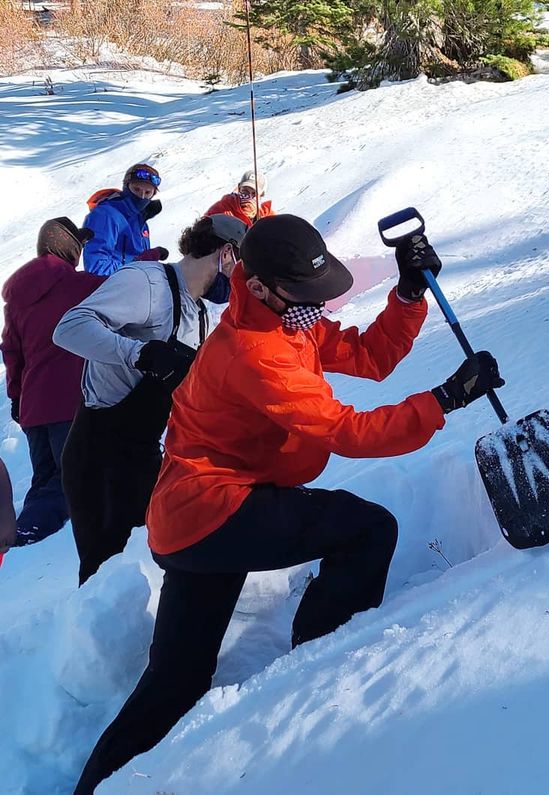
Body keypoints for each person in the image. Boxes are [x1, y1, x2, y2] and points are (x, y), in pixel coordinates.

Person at [73, 214, 504, 794]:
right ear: (259, 286)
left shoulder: (287, 323)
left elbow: (370, 357)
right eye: (304, 296)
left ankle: (93, 786)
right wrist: (446, 399)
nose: (315, 307)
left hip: (195, 519)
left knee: (177, 681)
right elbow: (348, 432)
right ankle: (318, 673)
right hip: (212, 511)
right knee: (365, 529)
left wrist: (406, 295)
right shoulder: (254, 354)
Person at [54, 214, 248, 585]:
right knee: (105, 577)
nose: (237, 279)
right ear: (225, 253)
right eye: (239, 265)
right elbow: (69, 328)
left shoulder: (202, 315)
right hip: (98, 457)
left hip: (143, 456)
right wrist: (138, 353)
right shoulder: (146, 282)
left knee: (161, 557)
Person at [1, 218, 103, 546]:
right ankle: (18, 539)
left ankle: (14, 537)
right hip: (67, 402)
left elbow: (12, 353)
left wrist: (17, 398)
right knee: (71, 482)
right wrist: (148, 262)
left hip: (33, 407)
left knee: (46, 481)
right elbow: (121, 286)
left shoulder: (17, 296)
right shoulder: (76, 285)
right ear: (68, 247)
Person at [82, 163, 169, 276]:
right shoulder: (106, 215)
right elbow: (96, 266)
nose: (141, 197)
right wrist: (139, 266)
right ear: (126, 187)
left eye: (147, 192)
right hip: (112, 290)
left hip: (132, 287)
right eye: (136, 189)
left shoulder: (140, 220)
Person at [204, 170, 274, 228]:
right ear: (239, 189)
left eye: (254, 193)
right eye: (245, 191)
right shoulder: (220, 210)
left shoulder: (268, 217)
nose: (248, 197)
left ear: (261, 195)